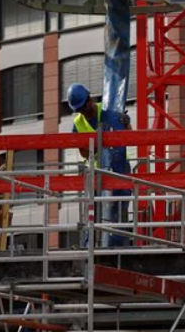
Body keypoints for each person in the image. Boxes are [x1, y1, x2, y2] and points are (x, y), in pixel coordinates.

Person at [67, 83, 132, 247]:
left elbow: (130, 137)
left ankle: (118, 244)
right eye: (79, 110)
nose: (83, 111)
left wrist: (126, 124)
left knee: (119, 206)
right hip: (97, 171)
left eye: (84, 107)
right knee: (93, 210)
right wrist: (100, 143)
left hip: (119, 167)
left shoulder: (108, 110)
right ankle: (90, 245)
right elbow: (83, 152)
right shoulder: (78, 123)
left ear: (90, 100)